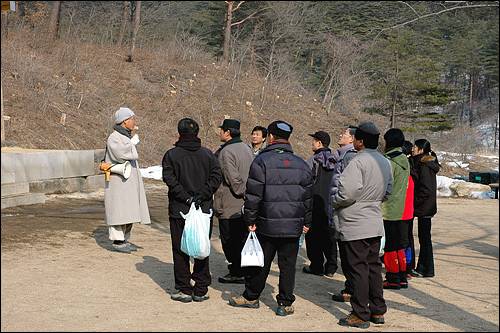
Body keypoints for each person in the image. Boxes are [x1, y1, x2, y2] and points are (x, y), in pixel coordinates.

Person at [228, 120, 313, 317]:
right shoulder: (301, 164)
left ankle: (251, 297)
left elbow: (253, 196)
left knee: (260, 262)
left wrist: (250, 220)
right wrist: (307, 222)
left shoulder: (261, 162)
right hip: (293, 225)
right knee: (288, 265)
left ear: (271, 138)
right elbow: (308, 198)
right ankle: (285, 302)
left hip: (266, 223)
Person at [332, 121, 392, 328]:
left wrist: (335, 201)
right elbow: (388, 191)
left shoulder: (358, 162)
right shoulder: (385, 162)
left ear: (361, 141)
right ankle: (377, 310)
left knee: (357, 268)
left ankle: (360, 313)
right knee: (373, 267)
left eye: (356, 137)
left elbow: (347, 193)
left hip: (354, 222)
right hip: (374, 221)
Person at [162, 118, 223, 302]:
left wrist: (186, 197)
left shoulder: (171, 155)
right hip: (203, 209)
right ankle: (201, 287)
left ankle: (184, 288)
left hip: (180, 209)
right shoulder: (208, 155)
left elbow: (169, 179)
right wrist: (202, 195)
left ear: (179, 133)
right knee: (201, 246)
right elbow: (216, 177)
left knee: (180, 249)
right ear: (197, 133)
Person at [104, 107, 151, 253]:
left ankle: (124, 238)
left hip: (128, 181)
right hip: (119, 181)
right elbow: (120, 154)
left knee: (129, 209)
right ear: (124, 122)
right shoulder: (114, 137)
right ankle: (118, 240)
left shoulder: (124, 137)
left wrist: (130, 142)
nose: (134, 121)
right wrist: (132, 144)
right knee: (119, 210)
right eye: (132, 119)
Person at [214, 119, 254, 284]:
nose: (220, 133)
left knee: (230, 239)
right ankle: (242, 270)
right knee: (241, 237)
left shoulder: (226, 152)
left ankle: (237, 271)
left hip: (230, 201)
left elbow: (233, 178)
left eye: (221, 130)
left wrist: (241, 191)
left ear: (227, 132)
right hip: (246, 202)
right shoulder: (247, 148)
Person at [381, 129, 413, 290]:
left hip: (389, 208)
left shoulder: (389, 160)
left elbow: (383, 185)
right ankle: (401, 276)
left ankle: (392, 278)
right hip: (402, 208)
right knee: (399, 245)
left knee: (391, 246)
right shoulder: (404, 160)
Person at [303, 131, 337, 277]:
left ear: (319, 143)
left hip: (314, 202)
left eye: (314, 141)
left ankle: (316, 266)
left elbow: (305, 181)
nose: (312, 143)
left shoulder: (313, 160)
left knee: (313, 236)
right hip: (331, 204)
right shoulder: (336, 159)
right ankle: (331, 267)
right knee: (329, 237)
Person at [330, 126, 357, 302]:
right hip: (341, 209)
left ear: (353, 139)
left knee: (349, 255)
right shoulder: (342, 155)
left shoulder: (350, 157)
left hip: (346, 212)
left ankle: (351, 289)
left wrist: (335, 200)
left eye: (345, 134)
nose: (341, 135)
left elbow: (347, 188)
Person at [411, 139, 440, 278]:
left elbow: (425, 189)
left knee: (425, 239)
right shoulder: (426, 163)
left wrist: (414, 203)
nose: (412, 149)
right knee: (425, 238)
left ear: (421, 149)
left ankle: (425, 269)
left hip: (425, 207)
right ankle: (425, 268)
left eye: (415, 147)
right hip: (426, 206)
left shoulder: (424, 165)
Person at [402, 140, 417, 278]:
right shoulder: (412, 168)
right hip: (409, 210)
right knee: (407, 239)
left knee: (402, 240)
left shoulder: (403, 168)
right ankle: (408, 266)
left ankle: (405, 267)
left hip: (401, 210)